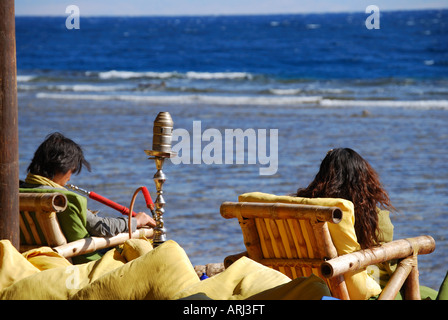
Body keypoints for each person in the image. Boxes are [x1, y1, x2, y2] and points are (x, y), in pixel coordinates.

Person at [20, 132, 155, 237]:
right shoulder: (65, 200)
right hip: (82, 259)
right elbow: (102, 227)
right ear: (63, 168)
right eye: (72, 171)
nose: (69, 179)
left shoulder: (17, 191)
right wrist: (136, 221)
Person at [293, 147, 394, 250]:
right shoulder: (365, 215)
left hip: (292, 264)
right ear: (363, 179)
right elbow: (385, 239)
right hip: (346, 264)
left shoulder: (300, 207)